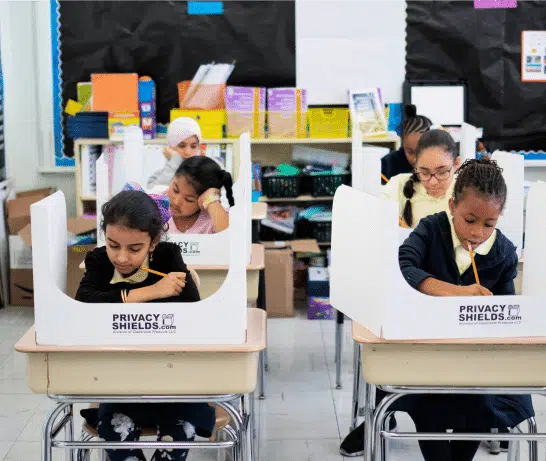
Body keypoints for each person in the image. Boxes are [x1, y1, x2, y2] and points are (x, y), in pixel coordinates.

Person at [397, 158, 533, 461]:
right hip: (428, 352)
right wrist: (458, 293)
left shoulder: (504, 253)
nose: (478, 232)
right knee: (428, 407)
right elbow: (404, 265)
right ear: (451, 206)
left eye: (489, 224)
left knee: (480, 407)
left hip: (477, 359)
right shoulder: (432, 229)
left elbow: (505, 313)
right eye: (469, 220)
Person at [76, 189, 215, 461]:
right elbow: (84, 304)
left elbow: (190, 309)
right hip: (120, 384)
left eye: (135, 248)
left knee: (179, 432)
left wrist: (117, 305)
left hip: (173, 384)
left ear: (153, 242)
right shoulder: (98, 260)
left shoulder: (168, 256)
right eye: (113, 245)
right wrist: (149, 293)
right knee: (115, 432)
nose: (122, 258)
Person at [382, 129, 460, 228]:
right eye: (424, 173)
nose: (433, 182)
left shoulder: (468, 191)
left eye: (441, 172)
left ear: (457, 163)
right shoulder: (399, 184)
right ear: (416, 166)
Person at [167, 156, 234, 234]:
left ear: (203, 199)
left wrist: (211, 200)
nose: (176, 202)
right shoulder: (157, 203)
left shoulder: (214, 216)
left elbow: (230, 240)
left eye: (189, 200)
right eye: (175, 190)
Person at [381, 105, 432, 183]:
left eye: (421, 152)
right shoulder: (388, 164)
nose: (415, 159)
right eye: (410, 152)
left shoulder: (443, 163)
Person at [147, 117, 202, 189]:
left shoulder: (208, 173)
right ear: (170, 147)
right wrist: (175, 160)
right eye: (181, 146)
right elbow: (157, 194)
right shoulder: (158, 176)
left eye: (193, 146)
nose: (188, 152)